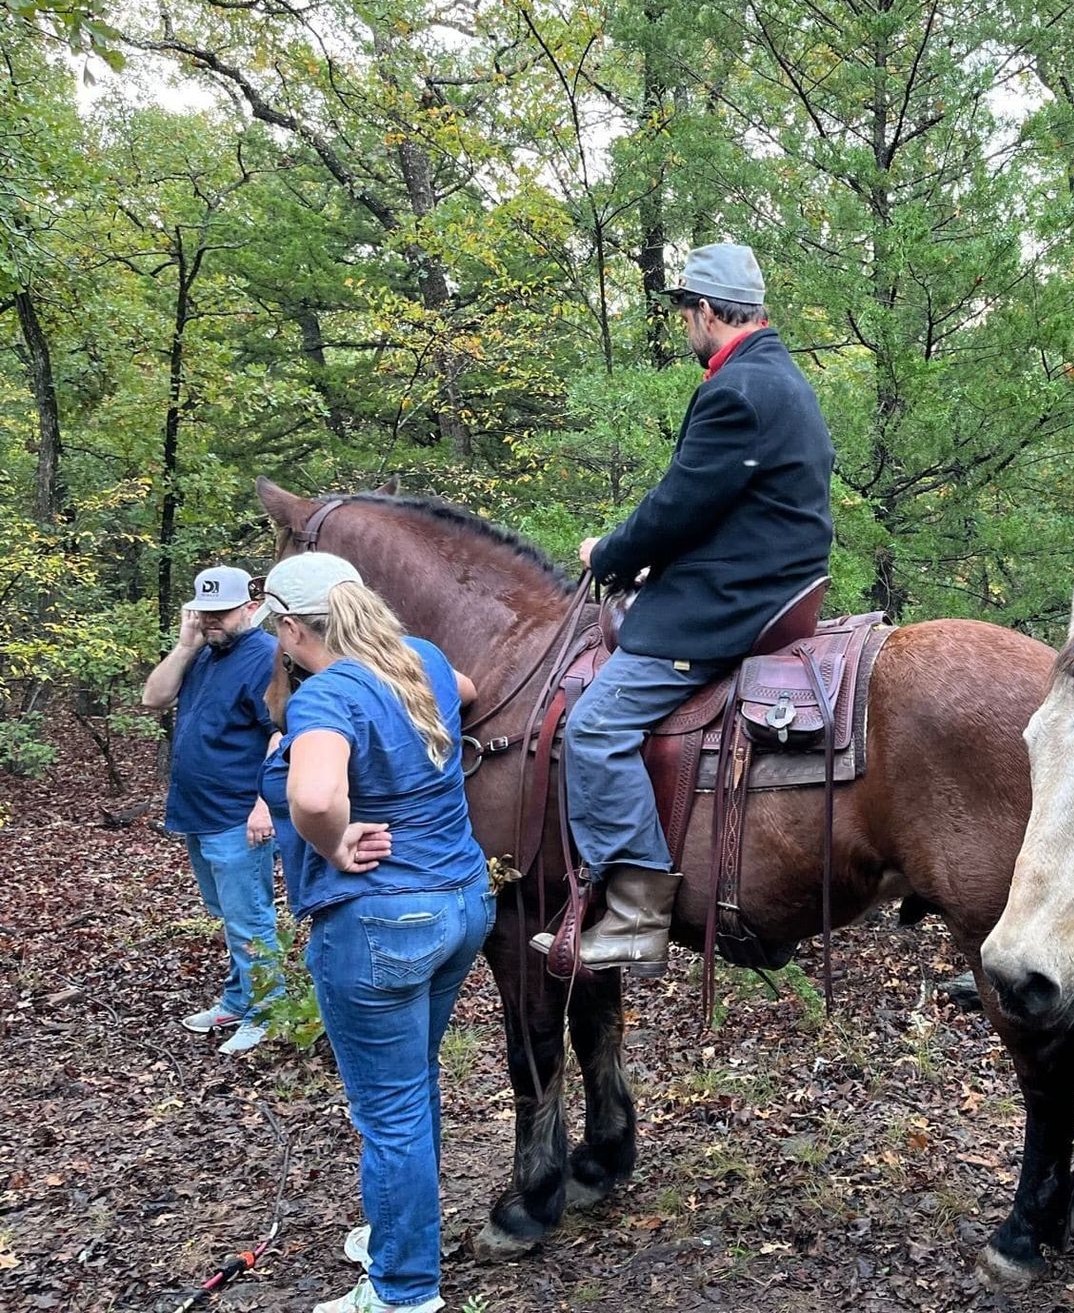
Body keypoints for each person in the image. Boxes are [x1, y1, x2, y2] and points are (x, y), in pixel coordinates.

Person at [533, 242, 835, 973]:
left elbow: (678, 505)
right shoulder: (781, 379)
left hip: (731, 604)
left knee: (598, 724)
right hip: (769, 583)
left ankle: (636, 916)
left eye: (684, 314)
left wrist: (608, 553)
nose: (684, 328)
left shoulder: (737, 390)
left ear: (705, 311)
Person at [255, 551, 489, 1313]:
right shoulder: (417, 658)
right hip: (460, 904)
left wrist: (334, 841)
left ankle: (402, 1292)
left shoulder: (328, 695)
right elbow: (469, 692)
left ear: (292, 628)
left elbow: (316, 794)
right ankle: (400, 1230)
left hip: (382, 922)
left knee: (388, 1110)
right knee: (411, 1086)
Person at [141, 563, 282, 1055]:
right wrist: (185, 645)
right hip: (197, 811)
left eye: (221, 612)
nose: (211, 621)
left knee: (250, 917)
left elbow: (283, 732)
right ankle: (239, 999)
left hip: (238, 815)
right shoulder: (202, 653)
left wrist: (265, 804)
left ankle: (266, 1011)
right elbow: (152, 698)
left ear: (250, 607)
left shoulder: (265, 656)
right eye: (204, 612)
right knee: (226, 912)